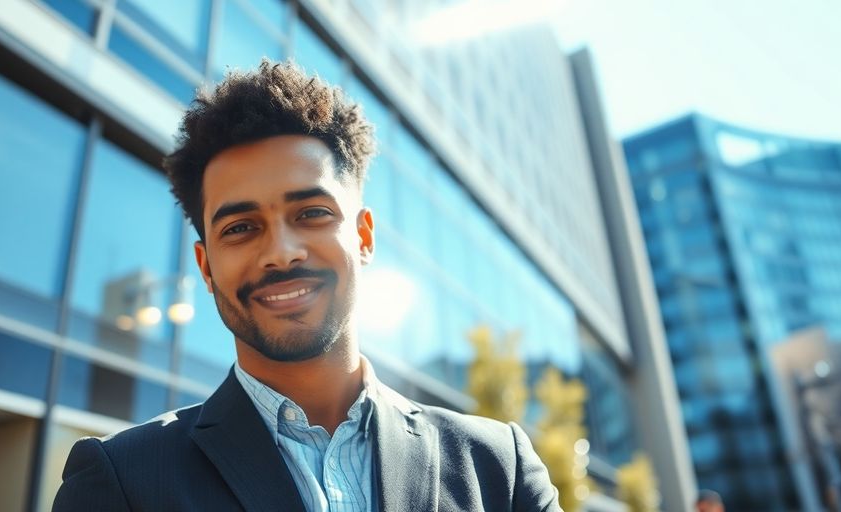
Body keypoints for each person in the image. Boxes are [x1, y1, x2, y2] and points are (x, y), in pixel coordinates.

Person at [53, 61, 561, 512]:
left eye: (312, 213)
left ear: (363, 236)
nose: (281, 252)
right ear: (206, 268)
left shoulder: (499, 467)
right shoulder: (122, 482)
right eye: (240, 228)